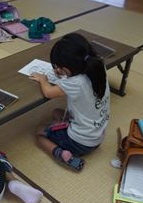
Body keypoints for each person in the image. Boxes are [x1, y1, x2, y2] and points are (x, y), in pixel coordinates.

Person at [30, 33, 110, 171]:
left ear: (67, 68)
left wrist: (43, 79)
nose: (56, 70)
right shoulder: (98, 68)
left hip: (80, 142)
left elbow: (48, 93)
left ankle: (62, 154)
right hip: (97, 135)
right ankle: (64, 130)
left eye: (57, 67)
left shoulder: (75, 82)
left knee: (39, 132)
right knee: (56, 112)